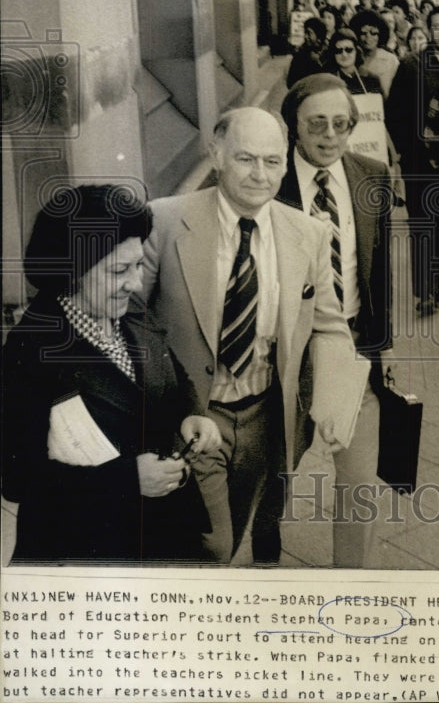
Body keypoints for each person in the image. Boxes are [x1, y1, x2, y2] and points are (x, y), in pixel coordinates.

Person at [140, 107, 356, 565]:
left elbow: (329, 324)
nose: (261, 174)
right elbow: (130, 320)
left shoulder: (309, 233)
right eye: (245, 159)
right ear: (216, 154)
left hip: (267, 419)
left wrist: (337, 402)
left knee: (235, 535)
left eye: (272, 161)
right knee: (211, 544)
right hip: (194, 416)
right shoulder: (164, 221)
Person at [2, 184, 221, 564]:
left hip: (161, 533)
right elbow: (18, 479)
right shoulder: (32, 349)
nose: (136, 283)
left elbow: (169, 368)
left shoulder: (127, 308)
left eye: (138, 265)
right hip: (85, 551)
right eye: (119, 270)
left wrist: (192, 411)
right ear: (74, 268)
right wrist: (126, 480)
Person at [278, 74, 394, 567]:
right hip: (283, 354)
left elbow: (380, 269)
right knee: (274, 476)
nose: (329, 136)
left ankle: (351, 585)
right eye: (317, 124)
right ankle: (261, 570)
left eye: (341, 124)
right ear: (294, 127)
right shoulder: (269, 182)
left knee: (359, 484)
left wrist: (382, 353)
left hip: (354, 348)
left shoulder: (372, 175)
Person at [386, 5, 439, 314]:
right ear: (429, 31)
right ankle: (424, 293)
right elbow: (395, 113)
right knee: (422, 225)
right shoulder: (411, 65)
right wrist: (409, 149)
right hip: (420, 161)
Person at [350, 9, 399, 98]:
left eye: (373, 33)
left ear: (380, 35)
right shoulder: (350, 58)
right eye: (363, 33)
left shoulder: (391, 60)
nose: (368, 37)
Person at [322, 28, 382, 96]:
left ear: (356, 51)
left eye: (348, 50)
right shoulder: (327, 82)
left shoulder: (371, 80)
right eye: (339, 51)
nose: (344, 55)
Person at [287, 17, 327, 87]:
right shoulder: (300, 56)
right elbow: (291, 83)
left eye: (309, 33)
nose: (305, 36)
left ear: (319, 37)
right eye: (305, 32)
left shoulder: (327, 54)